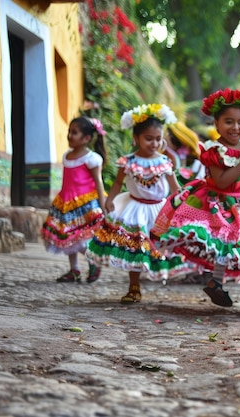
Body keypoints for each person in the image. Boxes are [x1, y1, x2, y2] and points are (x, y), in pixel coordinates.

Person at [151, 88, 240, 307]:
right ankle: (213, 280)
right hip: (214, 202)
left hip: (238, 205)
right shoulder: (214, 150)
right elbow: (222, 181)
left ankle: (217, 282)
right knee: (219, 241)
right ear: (216, 124)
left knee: (234, 244)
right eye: (228, 121)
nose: (235, 127)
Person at [86, 103, 185, 304]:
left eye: (158, 139)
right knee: (135, 248)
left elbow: (175, 188)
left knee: (159, 247)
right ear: (136, 138)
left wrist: (181, 207)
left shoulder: (165, 161)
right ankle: (134, 286)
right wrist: (109, 199)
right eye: (149, 138)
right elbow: (118, 182)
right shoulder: (128, 162)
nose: (154, 143)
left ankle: (159, 276)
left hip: (159, 210)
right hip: (134, 209)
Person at [40, 117, 107, 283]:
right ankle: (74, 270)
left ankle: (94, 261)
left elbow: (98, 182)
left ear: (86, 138)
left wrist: (102, 203)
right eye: (69, 132)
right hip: (65, 203)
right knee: (67, 236)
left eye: (74, 133)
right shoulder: (66, 156)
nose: (69, 135)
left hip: (84, 204)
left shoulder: (92, 159)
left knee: (82, 240)